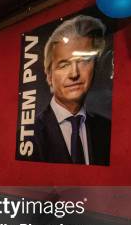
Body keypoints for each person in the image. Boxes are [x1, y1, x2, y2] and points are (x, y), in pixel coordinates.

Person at [32, 15, 111, 165]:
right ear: (49, 76)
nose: (74, 74)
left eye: (83, 61)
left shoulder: (106, 129)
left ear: (95, 67)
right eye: (63, 65)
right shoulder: (30, 136)